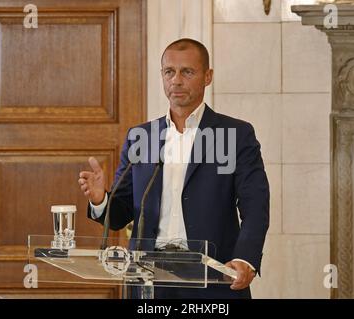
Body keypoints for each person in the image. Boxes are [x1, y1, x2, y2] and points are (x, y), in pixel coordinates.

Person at [78, 38, 270, 299]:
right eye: (169, 72)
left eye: (187, 72)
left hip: (214, 278)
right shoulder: (141, 137)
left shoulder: (235, 134)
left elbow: (256, 205)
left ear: (207, 76)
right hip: (149, 279)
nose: (176, 80)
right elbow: (121, 214)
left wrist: (245, 259)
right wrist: (101, 199)